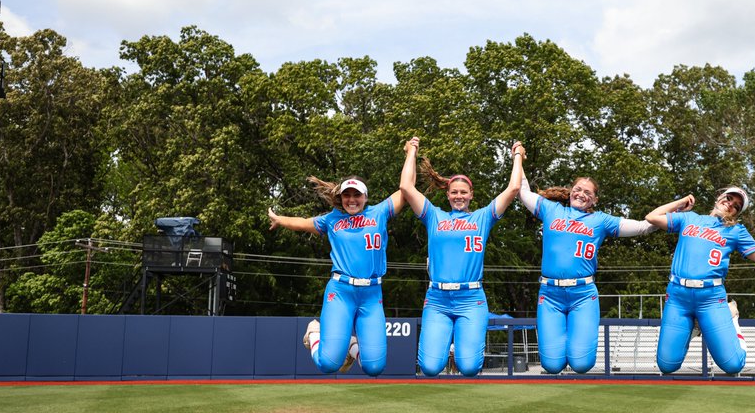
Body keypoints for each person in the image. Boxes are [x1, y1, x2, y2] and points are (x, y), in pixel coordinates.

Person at [645, 185, 755, 375]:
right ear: (719, 197)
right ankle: (693, 328)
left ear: (736, 214)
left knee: (733, 365)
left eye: (737, 206)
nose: (730, 204)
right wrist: (681, 203)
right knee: (667, 365)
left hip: (710, 299)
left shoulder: (736, 231)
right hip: (678, 297)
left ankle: (732, 317)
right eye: (729, 198)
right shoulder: (690, 218)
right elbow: (652, 217)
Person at [400, 137, 525, 376]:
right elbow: (406, 187)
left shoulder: (483, 217)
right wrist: (411, 152)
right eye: (454, 192)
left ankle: (461, 346)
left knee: (469, 367)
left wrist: (517, 155)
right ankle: (450, 343)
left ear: (471, 195)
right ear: (447, 195)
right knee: (429, 367)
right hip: (437, 298)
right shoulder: (434, 216)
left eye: (463, 192)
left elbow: (514, 189)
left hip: (471, 297)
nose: (459, 196)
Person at [268, 175, 405, 376]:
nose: (351, 199)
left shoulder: (379, 212)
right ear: (340, 198)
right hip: (341, 292)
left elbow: (405, 189)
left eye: (356, 194)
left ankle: (352, 348)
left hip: (371, 294)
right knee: (329, 364)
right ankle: (314, 332)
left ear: (365, 197)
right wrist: (280, 219)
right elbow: (303, 223)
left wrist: (411, 151)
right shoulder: (332, 219)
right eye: (346, 195)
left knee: (374, 367)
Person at [519, 174, 657, 374]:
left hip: (583, 295)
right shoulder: (552, 209)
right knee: (551, 365)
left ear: (594, 200)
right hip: (550, 295)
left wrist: (674, 211)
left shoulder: (601, 220)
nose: (581, 194)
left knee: (582, 364)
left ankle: (574, 344)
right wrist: (517, 155)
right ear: (570, 191)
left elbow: (644, 227)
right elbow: (522, 191)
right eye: (578, 189)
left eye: (587, 192)